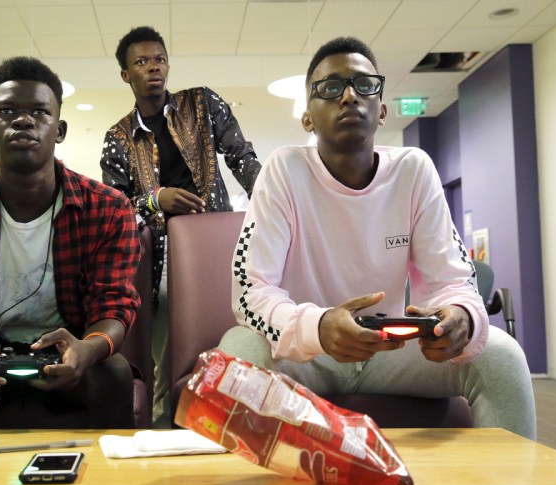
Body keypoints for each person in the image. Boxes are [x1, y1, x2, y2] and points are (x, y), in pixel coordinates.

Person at [218, 36, 536, 439]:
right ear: (308, 117)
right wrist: (318, 327)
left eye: (363, 85)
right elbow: (251, 290)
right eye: (331, 87)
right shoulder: (284, 170)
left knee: (502, 355)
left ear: (381, 109)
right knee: (237, 354)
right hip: (307, 352)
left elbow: (453, 280)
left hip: (388, 349)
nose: (349, 96)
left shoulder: (413, 170)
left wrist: (461, 316)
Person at [0, 56, 141, 429]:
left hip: (66, 349)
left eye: (39, 111)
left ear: (60, 129)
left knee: (114, 373)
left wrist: (87, 349)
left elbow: (114, 304)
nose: (23, 120)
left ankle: (109, 484)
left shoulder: (109, 208)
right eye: (7, 111)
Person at [100, 26, 262, 427]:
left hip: (218, 245)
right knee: (167, 357)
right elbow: (114, 209)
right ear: (126, 75)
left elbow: (242, 157)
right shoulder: (118, 138)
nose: (154, 67)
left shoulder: (203, 104)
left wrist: (272, 204)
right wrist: (157, 199)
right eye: (141, 61)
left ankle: (233, 426)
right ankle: (163, 432)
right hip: (159, 261)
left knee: (231, 342)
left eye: (159, 58)